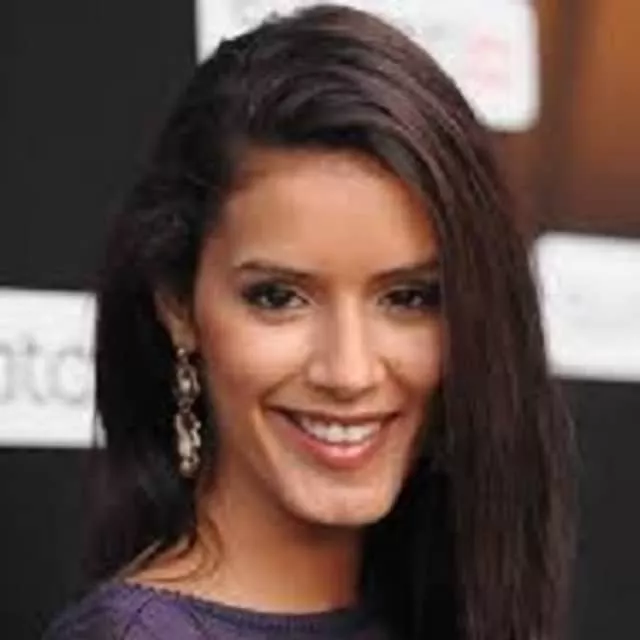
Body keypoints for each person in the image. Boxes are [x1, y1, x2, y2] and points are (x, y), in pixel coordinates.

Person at [44, 4, 575, 640]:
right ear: (179, 306)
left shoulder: (452, 602)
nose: (349, 371)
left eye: (408, 297)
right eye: (278, 297)